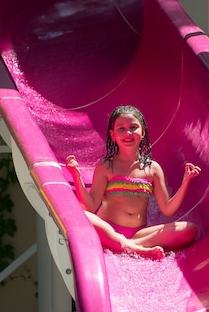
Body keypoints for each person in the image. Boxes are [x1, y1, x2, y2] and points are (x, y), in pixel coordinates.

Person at [66, 105, 201, 259]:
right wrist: (76, 175)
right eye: (121, 129)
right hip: (109, 228)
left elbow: (168, 209)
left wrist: (186, 182)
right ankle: (132, 247)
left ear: (143, 132)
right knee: (84, 216)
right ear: (113, 135)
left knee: (189, 229)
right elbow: (89, 205)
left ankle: (131, 245)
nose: (128, 133)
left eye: (133, 127)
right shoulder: (106, 165)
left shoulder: (153, 168)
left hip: (138, 233)